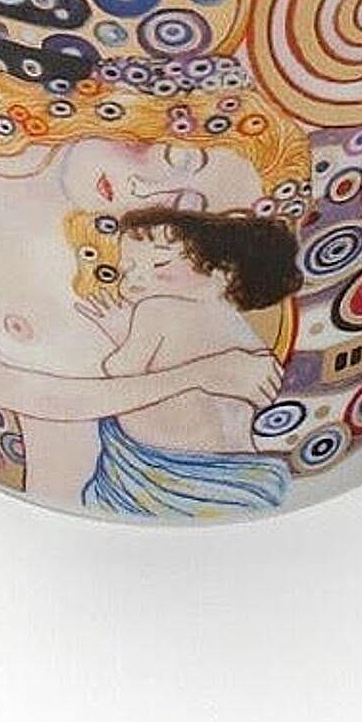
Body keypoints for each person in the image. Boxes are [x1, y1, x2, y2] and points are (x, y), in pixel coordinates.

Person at [0, 51, 312, 510]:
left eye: (183, 207)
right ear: (144, 110)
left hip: (147, 503)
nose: (146, 191)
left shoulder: (137, 277)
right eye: (174, 156)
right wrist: (198, 375)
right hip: (3, 511)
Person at [75, 206, 302, 518]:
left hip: (164, 478)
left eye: (160, 264)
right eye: (127, 270)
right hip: (241, 474)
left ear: (223, 273)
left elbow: (120, 371)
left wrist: (120, 336)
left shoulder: (156, 310)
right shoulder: (243, 333)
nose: (135, 279)